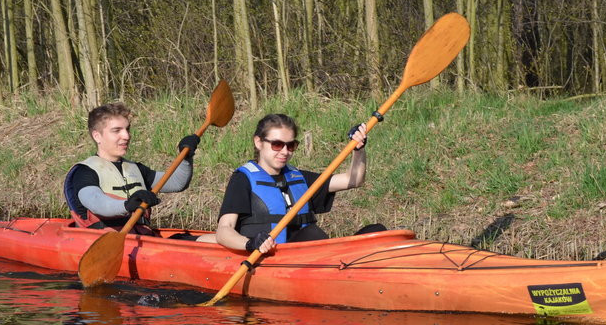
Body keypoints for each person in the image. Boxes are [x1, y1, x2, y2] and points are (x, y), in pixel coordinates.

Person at [216, 113, 384, 254]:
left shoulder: (299, 177)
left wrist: (358, 149)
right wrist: (251, 243)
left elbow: (353, 180)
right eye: (277, 144)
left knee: (377, 231)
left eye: (291, 146)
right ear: (258, 142)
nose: (284, 152)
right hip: (271, 257)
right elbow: (224, 230)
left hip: (309, 253)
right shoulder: (243, 179)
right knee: (310, 235)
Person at [64, 102, 199, 236]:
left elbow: (177, 183)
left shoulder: (136, 169)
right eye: (117, 130)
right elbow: (96, 203)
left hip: (142, 239)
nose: (127, 136)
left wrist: (186, 157)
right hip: (103, 242)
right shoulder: (84, 172)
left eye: (127, 129)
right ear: (97, 136)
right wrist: (127, 205)